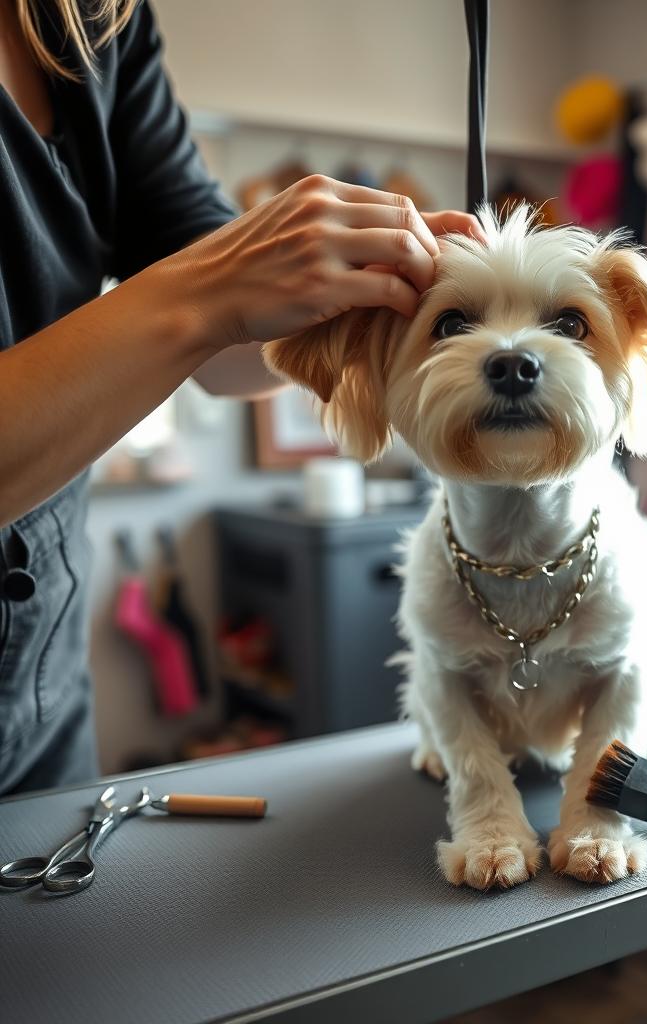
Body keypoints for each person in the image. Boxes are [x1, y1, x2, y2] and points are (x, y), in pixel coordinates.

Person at [0, 0, 480, 795]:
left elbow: (228, 354)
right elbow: (209, 305)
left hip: (42, 693)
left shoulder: (96, 21)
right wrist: (212, 286)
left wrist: (345, 292)